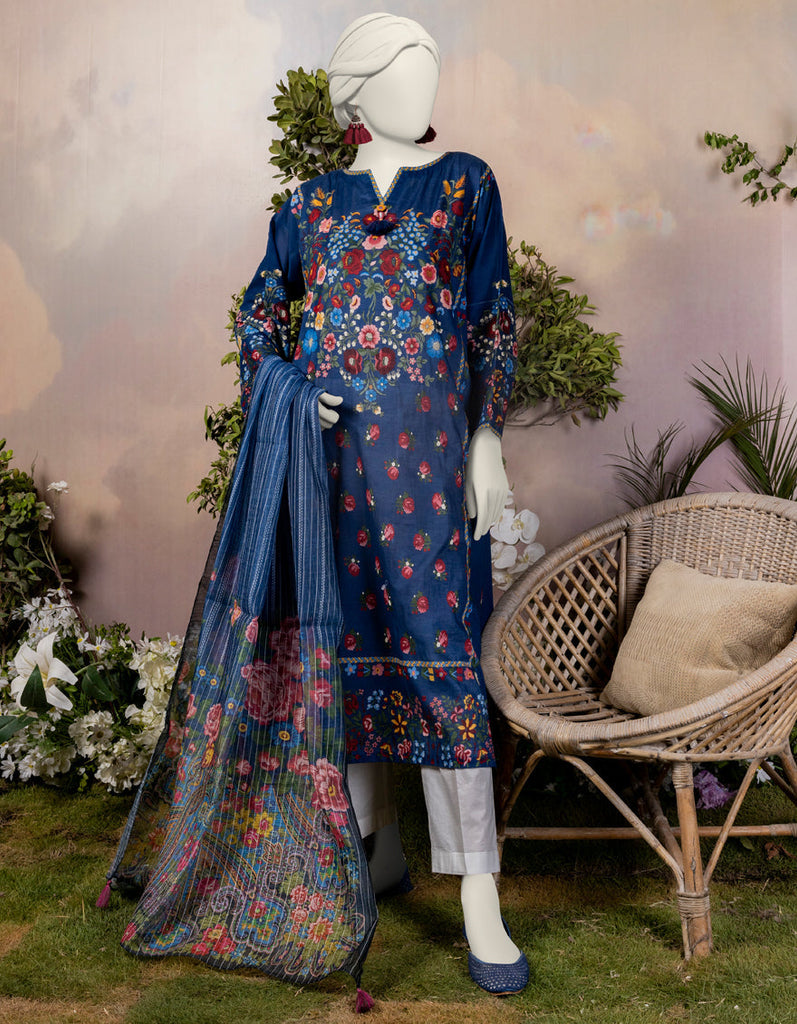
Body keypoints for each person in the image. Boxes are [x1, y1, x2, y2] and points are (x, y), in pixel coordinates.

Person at [234, 12, 526, 994]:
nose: (422, 87)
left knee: (441, 659)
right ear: (356, 94)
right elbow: (259, 315)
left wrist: (487, 437)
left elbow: (491, 319)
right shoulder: (310, 204)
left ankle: (477, 892)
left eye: (429, 69)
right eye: (403, 71)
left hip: (430, 472)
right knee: (345, 650)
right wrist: (284, 389)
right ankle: (373, 850)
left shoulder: (464, 184)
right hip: (330, 472)